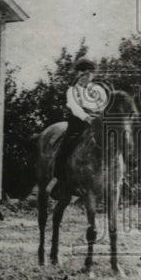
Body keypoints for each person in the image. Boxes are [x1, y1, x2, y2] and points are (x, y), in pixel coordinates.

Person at [50, 59, 109, 195]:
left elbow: (105, 105)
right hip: (79, 123)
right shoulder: (72, 90)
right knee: (66, 145)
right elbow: (74, 107)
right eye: (83, 75)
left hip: (98, 122)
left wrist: (100, 116)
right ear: (78, 74)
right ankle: (58, 180)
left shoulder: (98, 90)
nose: (87, 78)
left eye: (90, 75)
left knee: (115, 140)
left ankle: (117, 176)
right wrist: (87, 118)